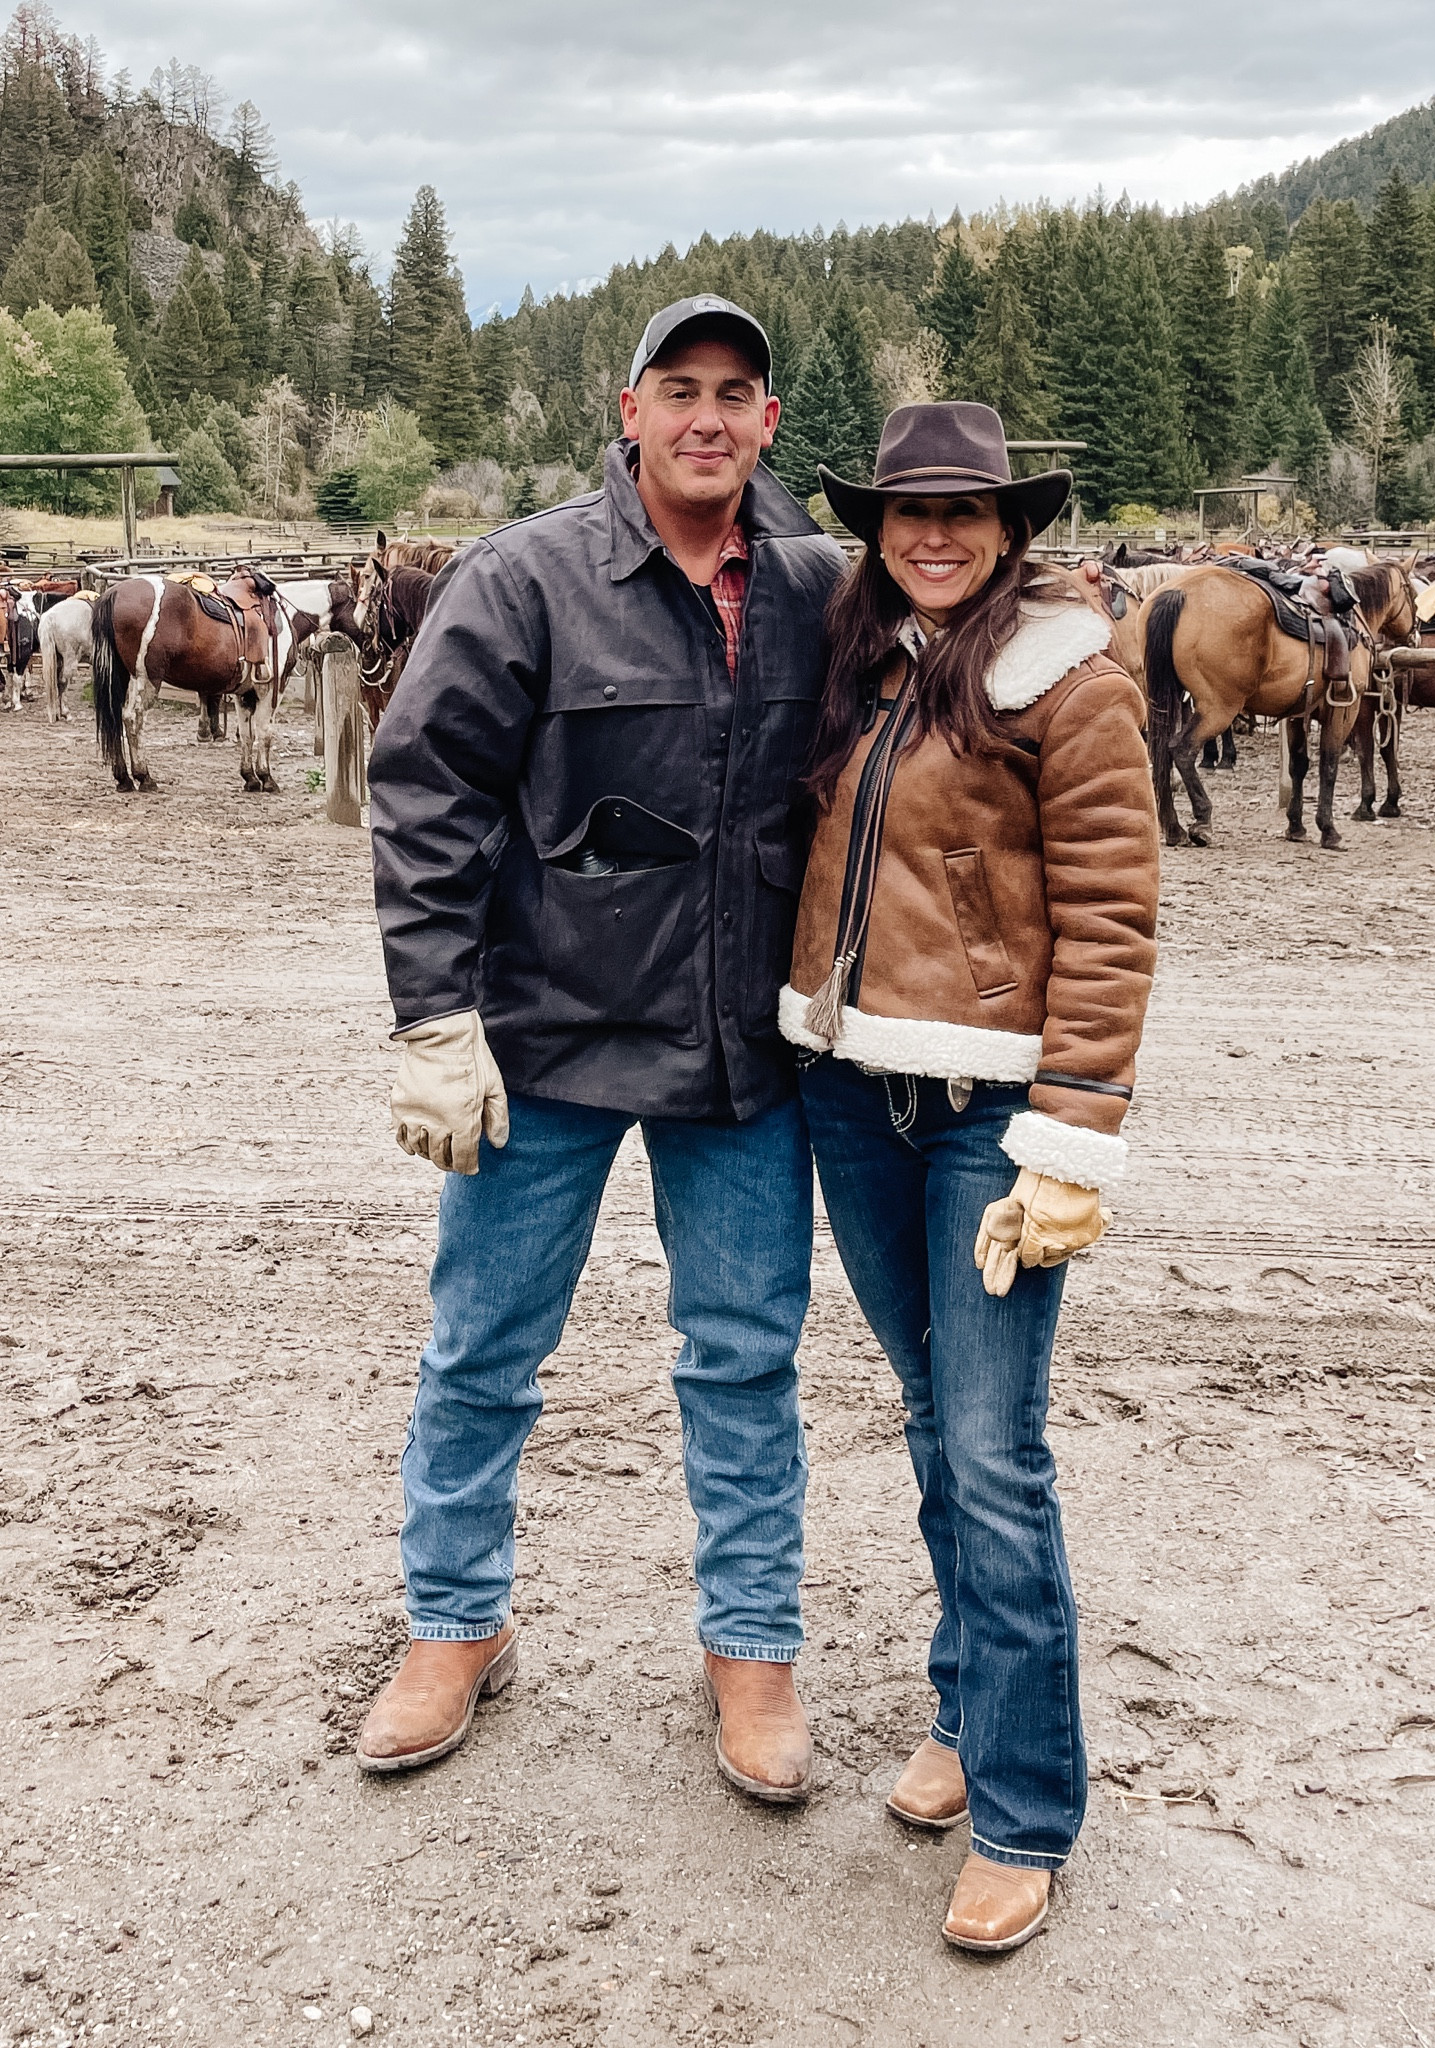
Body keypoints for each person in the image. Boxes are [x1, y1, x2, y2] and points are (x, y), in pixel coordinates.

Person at [361, 296, 846, 1799]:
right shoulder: (525, 581)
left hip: (741, 1049)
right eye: (678, 388)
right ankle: (456, 1619)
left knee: (747, 1359)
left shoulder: (827, 587)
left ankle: (750, 1647)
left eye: (737, 392)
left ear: (770, 422)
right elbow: (427, 789)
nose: (708, 416)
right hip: (548, 1037)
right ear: (625, 410)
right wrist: (436, 1016)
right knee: (485, 1347)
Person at [781, 403, 1159, 1951]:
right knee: (938, 1421)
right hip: (852, 1094)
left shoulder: (1067, 680)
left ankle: (1024, 1803)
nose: (932, 533)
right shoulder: (869, 660)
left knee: (996, 1452)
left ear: (1010, 525)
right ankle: (967, 1701)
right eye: (904, 510)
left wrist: (1074, 1136)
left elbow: (1117, 915)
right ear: (875, 524)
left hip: (988, 1122)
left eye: (962, 511)